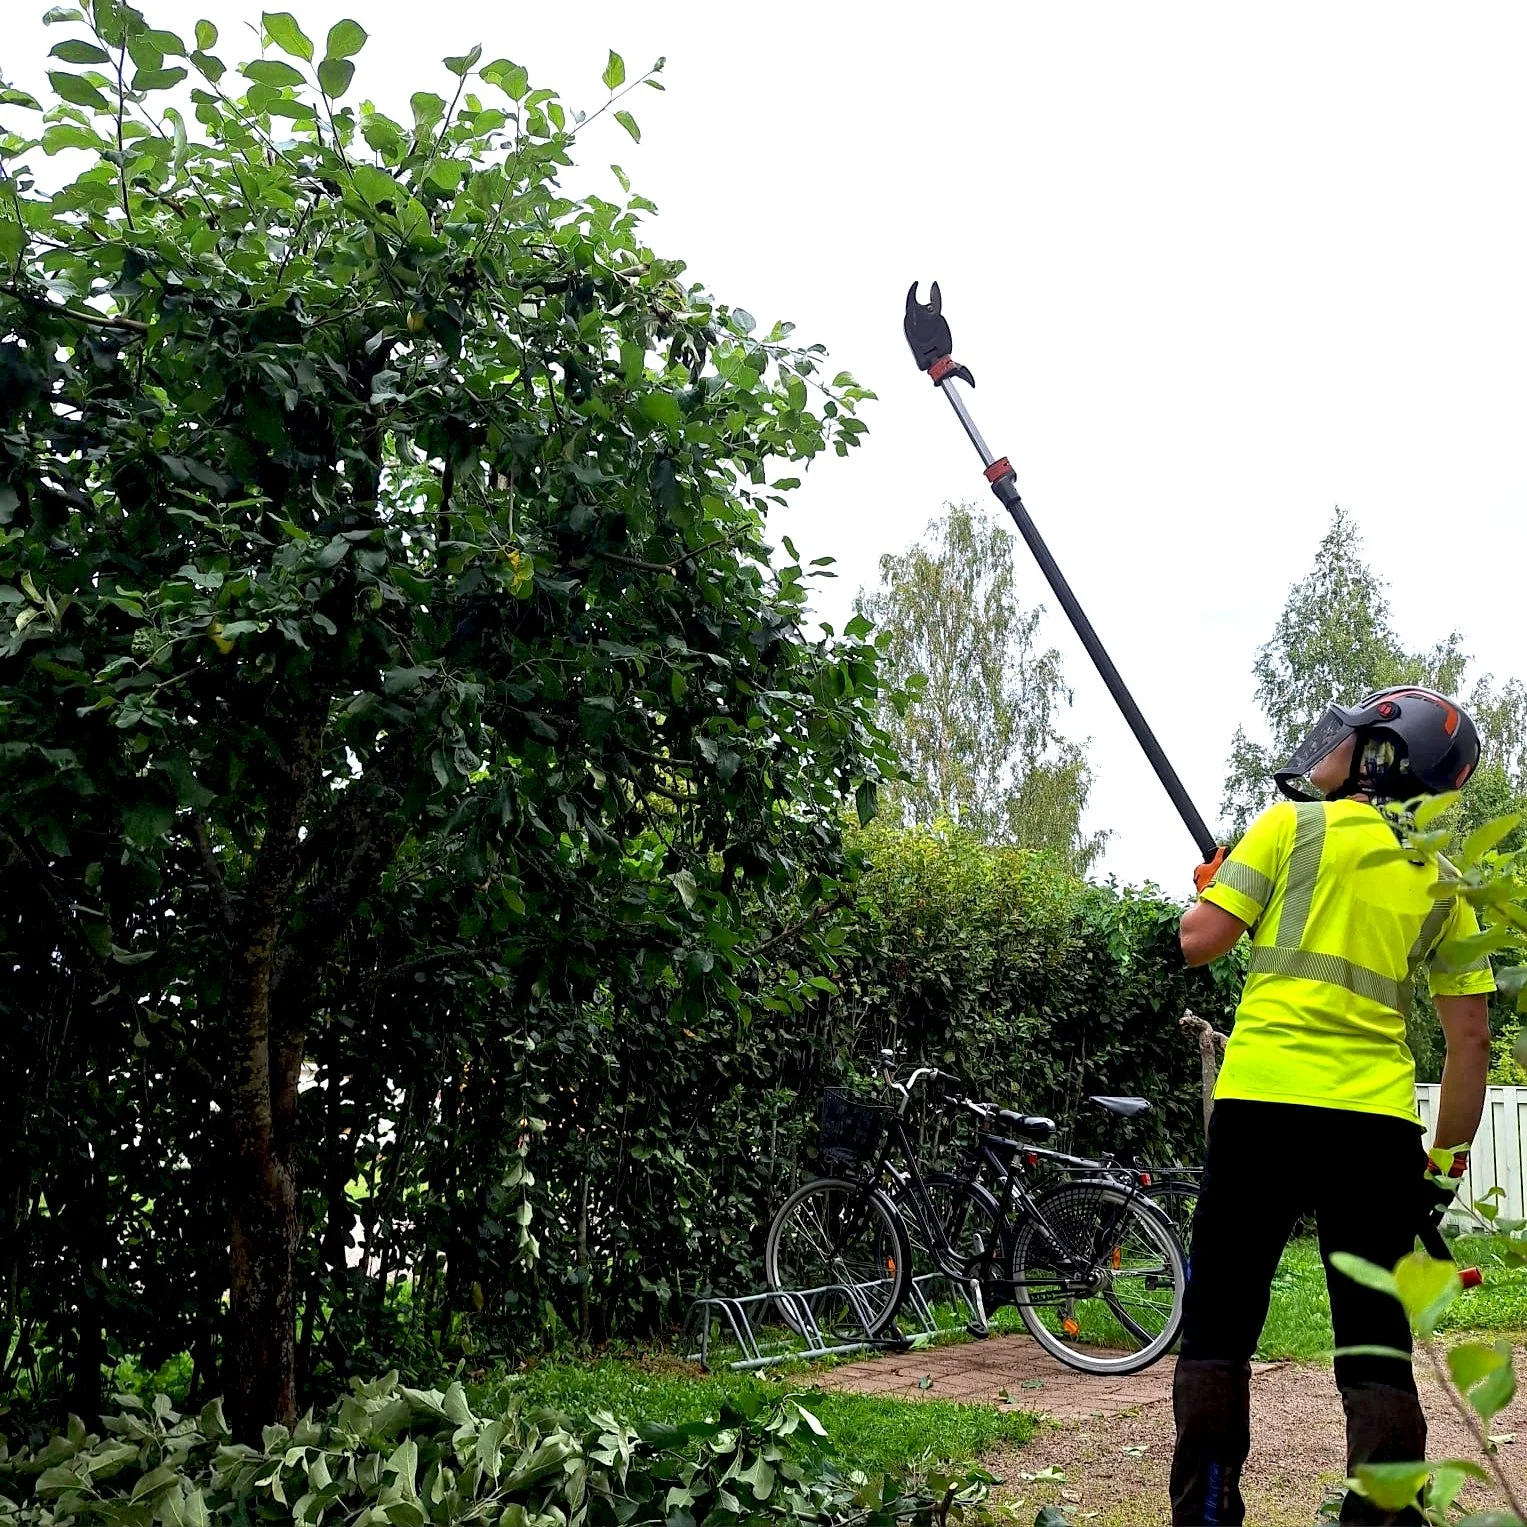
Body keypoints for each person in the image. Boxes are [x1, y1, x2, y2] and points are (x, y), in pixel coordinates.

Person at [1170, 687, 1496, 1525]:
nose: (1332, 747)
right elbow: (1470, 1043)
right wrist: (1444, 1165)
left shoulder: (1285, 828)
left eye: (1353, 739)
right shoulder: (1440, 879)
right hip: (1373, 1128)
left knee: (1218, 1324)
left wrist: (1214, 887)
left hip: (1260, 1111)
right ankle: (1385, 1516)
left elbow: (1197, 941)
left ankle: (1206, 1509)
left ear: (1384, 755)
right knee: (1374, 1341)